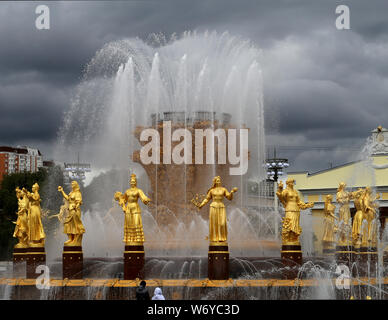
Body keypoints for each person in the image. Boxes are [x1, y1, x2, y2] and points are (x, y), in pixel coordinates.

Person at [192, 176, 237, 244]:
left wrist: (232, 192)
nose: (218, 182)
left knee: (222, 223)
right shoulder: (211, 190)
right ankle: (215, 238)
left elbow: (229, 198)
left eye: (219, 180)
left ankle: (221, 237)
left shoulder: (223, 189)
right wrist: (201, 205)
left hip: (221, 206)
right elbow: (207, 199)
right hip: (213, 206)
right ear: (215, 182)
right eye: (217, 181)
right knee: (214, 223)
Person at [114, 174, 151, 245]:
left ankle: (138, 239)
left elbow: (143, 197)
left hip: (135, 207)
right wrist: (120, 200)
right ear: (130, 182)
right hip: (128, 208)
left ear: (136, 182)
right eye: (131, 182)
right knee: (129, 224)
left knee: (136, 223)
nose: (132, 183)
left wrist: (146, 200)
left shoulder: (138, 191)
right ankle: (129, 239)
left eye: (134, 182)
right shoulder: (127, 191)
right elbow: (123, 199)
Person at [276, 178, 314, 245]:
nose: (293, 184)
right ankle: (288, 239)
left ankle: (293, 239)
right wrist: (280, 188)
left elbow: (299, 202)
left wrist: (307, 205)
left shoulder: (295, 191)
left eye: (293, 182)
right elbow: (281, 197)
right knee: (289, 224)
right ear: (288, 183)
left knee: (295, 225)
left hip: (296, 209)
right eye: (291, 182)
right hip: (289, 209)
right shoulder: (286, 191)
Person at [58, 181, 85, 246]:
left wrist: (76, 206)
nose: (71, 185)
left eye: (73, 184)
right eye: (71, 184)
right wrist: (62, 191)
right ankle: (70, 239)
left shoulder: (77, 193)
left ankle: (76, 239)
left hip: (74, 210)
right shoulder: (71, 193)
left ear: (76, 185)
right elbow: (67, 198)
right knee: (68, 224)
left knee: (75, 225)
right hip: (70, 210)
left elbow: (79, 202)